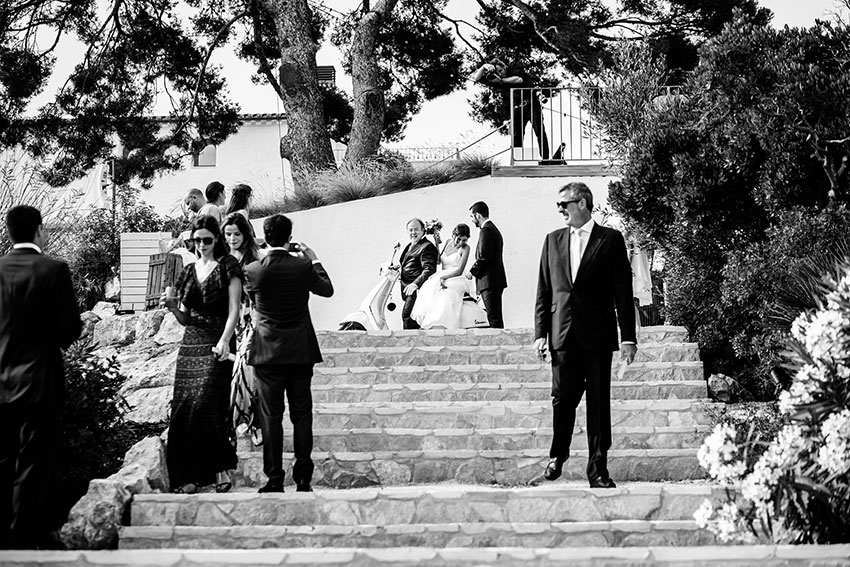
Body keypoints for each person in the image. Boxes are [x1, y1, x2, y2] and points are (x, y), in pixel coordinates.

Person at [533, 182, 637, 489]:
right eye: (558, 205)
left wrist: (628, 337)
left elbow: (622, 290)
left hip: (598, 334)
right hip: (562, 333)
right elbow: (543, 290)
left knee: (598, 404)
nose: (560, 209)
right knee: (561, 398)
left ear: (583, 203)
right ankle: (558, 454)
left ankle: (598, 470)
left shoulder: (610, 239)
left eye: (564, 203)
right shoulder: (552, 240)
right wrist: (540, 333)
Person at [0, 206, 82, 549]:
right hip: (40, 381)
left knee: (4, 459)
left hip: (1, 380)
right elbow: (70, 328)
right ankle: (22, 536)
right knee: (33, 462)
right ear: (39, 230)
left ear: (9, 232)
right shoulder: (54, 269)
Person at [246, 214, 333, 493]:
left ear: (265, 236)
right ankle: (304, 478)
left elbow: (251, 300)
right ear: (289, 236)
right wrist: (314, 257)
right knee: (302, 414)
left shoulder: (253, 269)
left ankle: (274, 478)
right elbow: (327, 290)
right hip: (300, 351)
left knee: (271, 416)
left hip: (267, 352)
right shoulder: (303, 266)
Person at [161, 214, 242, 494]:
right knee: (184, 410)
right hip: (190, 342)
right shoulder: (187, 271)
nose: (202, 245)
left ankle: (220, 468)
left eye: (207, 240)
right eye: (197, 240)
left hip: (217, 340)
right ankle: (189, 475)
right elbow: (185, 318)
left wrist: (225, 341)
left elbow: (235, 309)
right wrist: (172, 307)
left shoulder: (228, 266)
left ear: (216, 239)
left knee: (207, 404)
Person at [222, 213, 264, 445]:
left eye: (237, 234)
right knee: (238, 372)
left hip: (253, 320)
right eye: (228, 234)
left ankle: (254, 422)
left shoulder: (255, 258)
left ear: (245, 234)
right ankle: (243, 421)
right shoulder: (224, 258)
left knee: (246, 370)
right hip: (232, 322)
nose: (232, 238)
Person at [472, 57, 550, 160]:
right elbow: (476, 78)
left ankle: (545, 158)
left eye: (501, 70)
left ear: (504, 66)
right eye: (498, 73)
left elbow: (519, 79)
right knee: (516, 135)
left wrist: (501, 80)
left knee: (539, 130)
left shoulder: (513, 67)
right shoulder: (496, 77)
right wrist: (483, 67)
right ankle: (518, 160)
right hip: (516, 109)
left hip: (531, 104)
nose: (500, 74)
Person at [411, 223, 473, 329]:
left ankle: (441, 324)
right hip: (442, 274)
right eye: (458, 239)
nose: (461, 243)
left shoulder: (466, 248)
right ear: (453, 235)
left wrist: (444, 278)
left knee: (446, 293)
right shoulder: (448, 242)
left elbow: (460, 270)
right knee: (429, 289)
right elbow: (439, 261)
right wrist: (437, 244)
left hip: (456, 276)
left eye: (464, 240)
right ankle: (428, 322)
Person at [467, 202, 507, 328]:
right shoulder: (491, 229)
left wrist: (471, 272)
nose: (472, 221)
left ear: (478, 215)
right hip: (492, 281)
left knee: (494, 318)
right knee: (493, 317)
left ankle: (499, 346)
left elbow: (484, 257)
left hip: (490, 281)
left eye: (472, 217)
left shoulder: (486, 230)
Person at [398, 218, 439, 330]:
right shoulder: (409, 245)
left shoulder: (427, 246)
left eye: (416, 230)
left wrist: (415, 284)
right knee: (409, 318)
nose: (413, 233)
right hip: (407, 288)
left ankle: (411, 344)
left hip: (418, 290)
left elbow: (429, 269)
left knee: (408, 316)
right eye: (410, 230)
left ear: (423, 231)